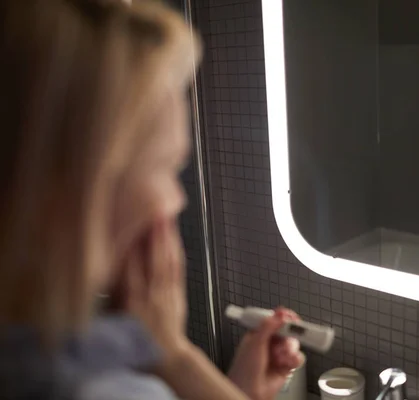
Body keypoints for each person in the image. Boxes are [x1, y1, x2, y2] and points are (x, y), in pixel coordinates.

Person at [0, 1, 303, 399]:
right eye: (163, 167)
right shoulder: (86, 387)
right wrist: (176, 358)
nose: (176, 200)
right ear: (62, 184)